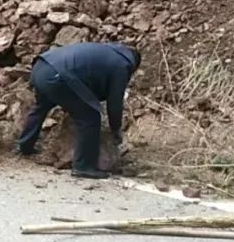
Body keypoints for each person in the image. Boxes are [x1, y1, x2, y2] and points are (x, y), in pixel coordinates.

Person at [17, 42, 141, 179]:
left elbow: (87, 79)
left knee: (42, 106)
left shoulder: (107, 51)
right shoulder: (122, 66)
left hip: (41, 67)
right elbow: (115, 102)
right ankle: (83, 166)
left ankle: (25, 146)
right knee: (90, 117)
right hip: (57, 77)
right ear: (134, 65)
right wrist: (116, 128)